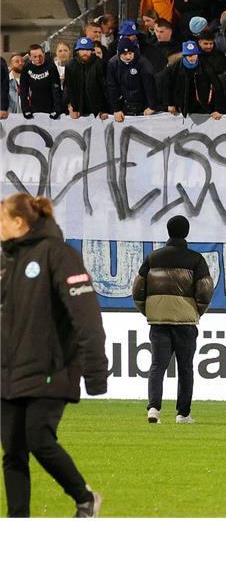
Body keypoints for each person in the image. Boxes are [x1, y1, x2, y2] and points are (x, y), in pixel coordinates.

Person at [1, 194, 108, 518]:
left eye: (2, 219)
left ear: (19, 222)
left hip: (52, 369)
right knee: (13, 453)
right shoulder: (8, 261)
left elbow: (86, 316)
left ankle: (84, 497)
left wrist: (95, 372)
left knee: (38, 440)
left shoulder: (60, 256)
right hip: (10, 373)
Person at [132, 216, 214, 425]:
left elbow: (137, 289)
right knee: (185, 368)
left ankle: (153, 409)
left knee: (157, 366)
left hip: (158, 321)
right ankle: (183, 414)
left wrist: (149, 310)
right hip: (185, 322)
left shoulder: (152, 258)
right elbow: (205, 290)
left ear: (168, 231)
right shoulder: (196, 259)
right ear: (186, 232)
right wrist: (196, 311)